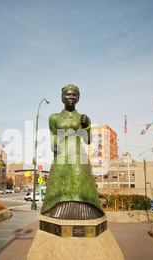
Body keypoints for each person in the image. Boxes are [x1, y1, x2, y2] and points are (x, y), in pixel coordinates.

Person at [40, 84, 105, 220]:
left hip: (77, 154)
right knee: (59, 183)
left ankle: (85, 212)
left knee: (80, 181)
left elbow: (88, 140)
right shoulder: (54, 118)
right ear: (62, 98)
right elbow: (53, 135)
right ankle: (55, 211)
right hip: (61, 155)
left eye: (74, 95)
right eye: (68, 95)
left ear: (78, 98)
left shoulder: (83, 117)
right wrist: (53, 144)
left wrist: (87, 126)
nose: (71, 97)